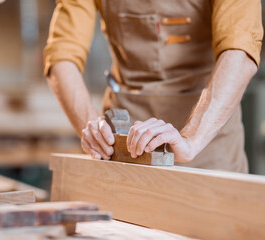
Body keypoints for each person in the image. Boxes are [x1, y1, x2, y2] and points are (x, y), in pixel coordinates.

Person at [44, 0, 263, 173]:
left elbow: (240, 50)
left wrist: (191, 140)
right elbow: (62, 54)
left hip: (208, 141)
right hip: (124, 149)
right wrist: (94, 129)